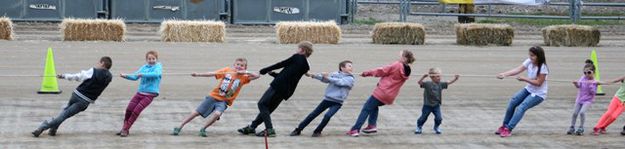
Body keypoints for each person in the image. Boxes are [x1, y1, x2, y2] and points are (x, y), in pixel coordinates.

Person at [238, 41, 313, 137]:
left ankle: (269, 129)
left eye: (298, 48)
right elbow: (289, 76)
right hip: (287, 90)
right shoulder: (306, 66)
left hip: (278, 86)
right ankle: (252, 127)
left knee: (262, 104)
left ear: (302, 50)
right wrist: (273, 74)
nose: (297, 50)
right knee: (267, 109)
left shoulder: (297, 57)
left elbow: (281, 64)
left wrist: (265, 70)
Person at [172, 58, 259, 137]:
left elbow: (257, 75)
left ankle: (203, 129)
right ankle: (179, 126)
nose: (239, 67)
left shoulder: (245, 77)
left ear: (245, 67)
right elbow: (212, 73)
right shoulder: (227, 70)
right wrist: (198, 74)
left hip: (224, 101)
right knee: (196, 112)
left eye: (242, 65)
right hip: (213, 96)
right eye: (237, 64)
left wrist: (246, 72)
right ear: (234, 65)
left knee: (217, 114)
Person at [32, 56, 113, 137]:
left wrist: (64, 76)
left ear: (102, 63)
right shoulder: (109, 77)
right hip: (84, 102)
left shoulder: (94, 71)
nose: (97, 64)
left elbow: (78, 76)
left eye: (99, 62)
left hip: (76, 95)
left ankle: (51, 129)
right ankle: (43, 128)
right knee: (64, 115)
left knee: (64, 113)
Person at [346, 50, 415, 137]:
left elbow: (381, 71)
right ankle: (372, 126)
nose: (398, 57)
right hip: (391, 95)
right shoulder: (408, 70)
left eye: (400, 55)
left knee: (366, 108)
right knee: (373, 106)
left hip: (382, 92)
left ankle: (355, 129)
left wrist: (366, 73)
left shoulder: (397, 65)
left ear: (404, 58)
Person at [290, 60, 355, 137]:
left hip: (338, 102)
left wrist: (327, 77)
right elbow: (325, 80)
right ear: (342, 68)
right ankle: (298, 129)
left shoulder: (350, 78)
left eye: (351, 66)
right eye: (349, 66)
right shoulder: (335, 74)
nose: (351, 68)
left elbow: (340, 82)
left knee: (327, 116)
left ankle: (317, 131)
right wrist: (312, 75)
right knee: (313, 114)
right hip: (327, 100)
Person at [495, 46, 549, 138]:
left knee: (521, 108)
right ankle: (504, 126)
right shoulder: (529, 61)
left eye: (533, 56)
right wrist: (504, 74)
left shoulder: (543, 68)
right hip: (528, 89)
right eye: (530, 55)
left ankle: (508, 129)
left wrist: (525, 79)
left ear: (539, 56)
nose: (530, 57)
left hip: (538, 94)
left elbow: (539, 83)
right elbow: (517, 69)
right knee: (512, 102)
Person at [116, 51, 162, 137]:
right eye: (149, 59)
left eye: (153, 59)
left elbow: (156, 74)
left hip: (150, 94)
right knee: (129, 110)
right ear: (146, 59)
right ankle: (124, 128)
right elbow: (135, 77)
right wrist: (125, 76)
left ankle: (125, 129)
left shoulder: (158, 67)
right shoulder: (144, 67)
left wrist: (143, 74)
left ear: (156, 59)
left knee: (136, 111)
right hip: (139, 93)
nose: (151, 60)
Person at [414, 68, 459, 135]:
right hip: (427, 105)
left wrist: (455, 78)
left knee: (439, 118)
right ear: (432, 77)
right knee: (423, 117)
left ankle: (436, 126)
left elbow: (449, 82)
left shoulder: (441, 84)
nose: (439, 77)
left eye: (440, 76)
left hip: (436, 105)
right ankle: (419, 126)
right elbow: (419, 82)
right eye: (437, 76)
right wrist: (423, 77)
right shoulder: (427, 84)